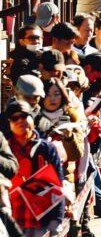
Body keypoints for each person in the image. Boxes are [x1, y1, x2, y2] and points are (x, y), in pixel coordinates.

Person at [4, 98, 65, 237]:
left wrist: (57, 220)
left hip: (41, 220)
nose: (20, 120)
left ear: (32, 118)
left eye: (24, 115)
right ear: (10, 123)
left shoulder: (47, 149)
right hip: (11, 220)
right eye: (15, 118)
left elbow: (58, 185)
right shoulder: (3, 148)